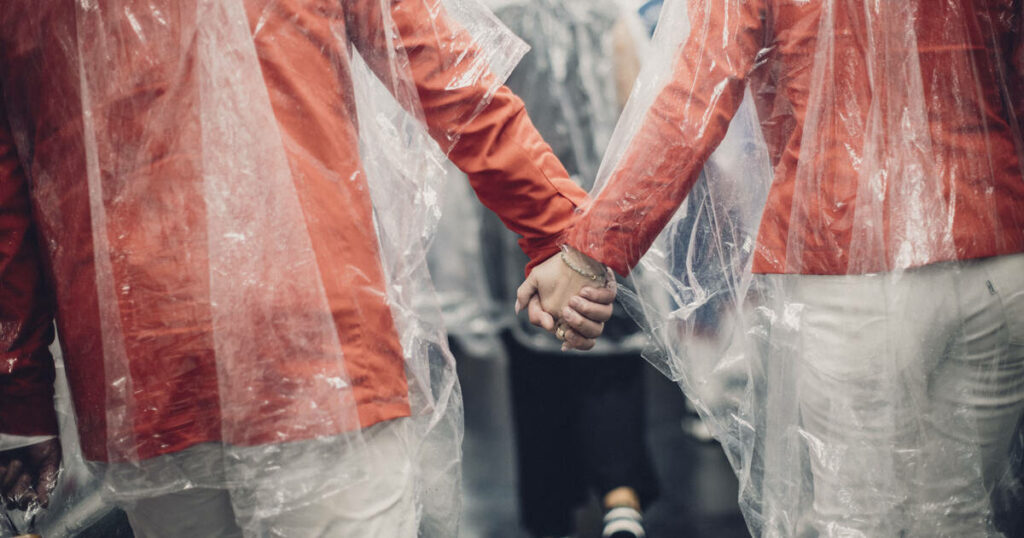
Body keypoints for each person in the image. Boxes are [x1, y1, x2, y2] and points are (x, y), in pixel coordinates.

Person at [0, 0, 614, 536]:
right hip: (313, 340)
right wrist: (558, 231)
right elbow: (446, 75)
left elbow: (12, 200)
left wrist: (20, 402)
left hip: (140, 365)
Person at [518, 0, 1024, 536]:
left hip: (850, 259)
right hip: (998, 245)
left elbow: (694, 100)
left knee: (853, 518)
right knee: (960, 514)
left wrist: (589, 254)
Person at [479, 1, 658, 537]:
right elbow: (638, 104)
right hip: (599, 204)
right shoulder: (604, 14)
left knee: (534, 351)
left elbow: (471, 116)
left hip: (515, 210)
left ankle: (549, 507)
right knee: (608, 345)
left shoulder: (495, 16)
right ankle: (621, 498)